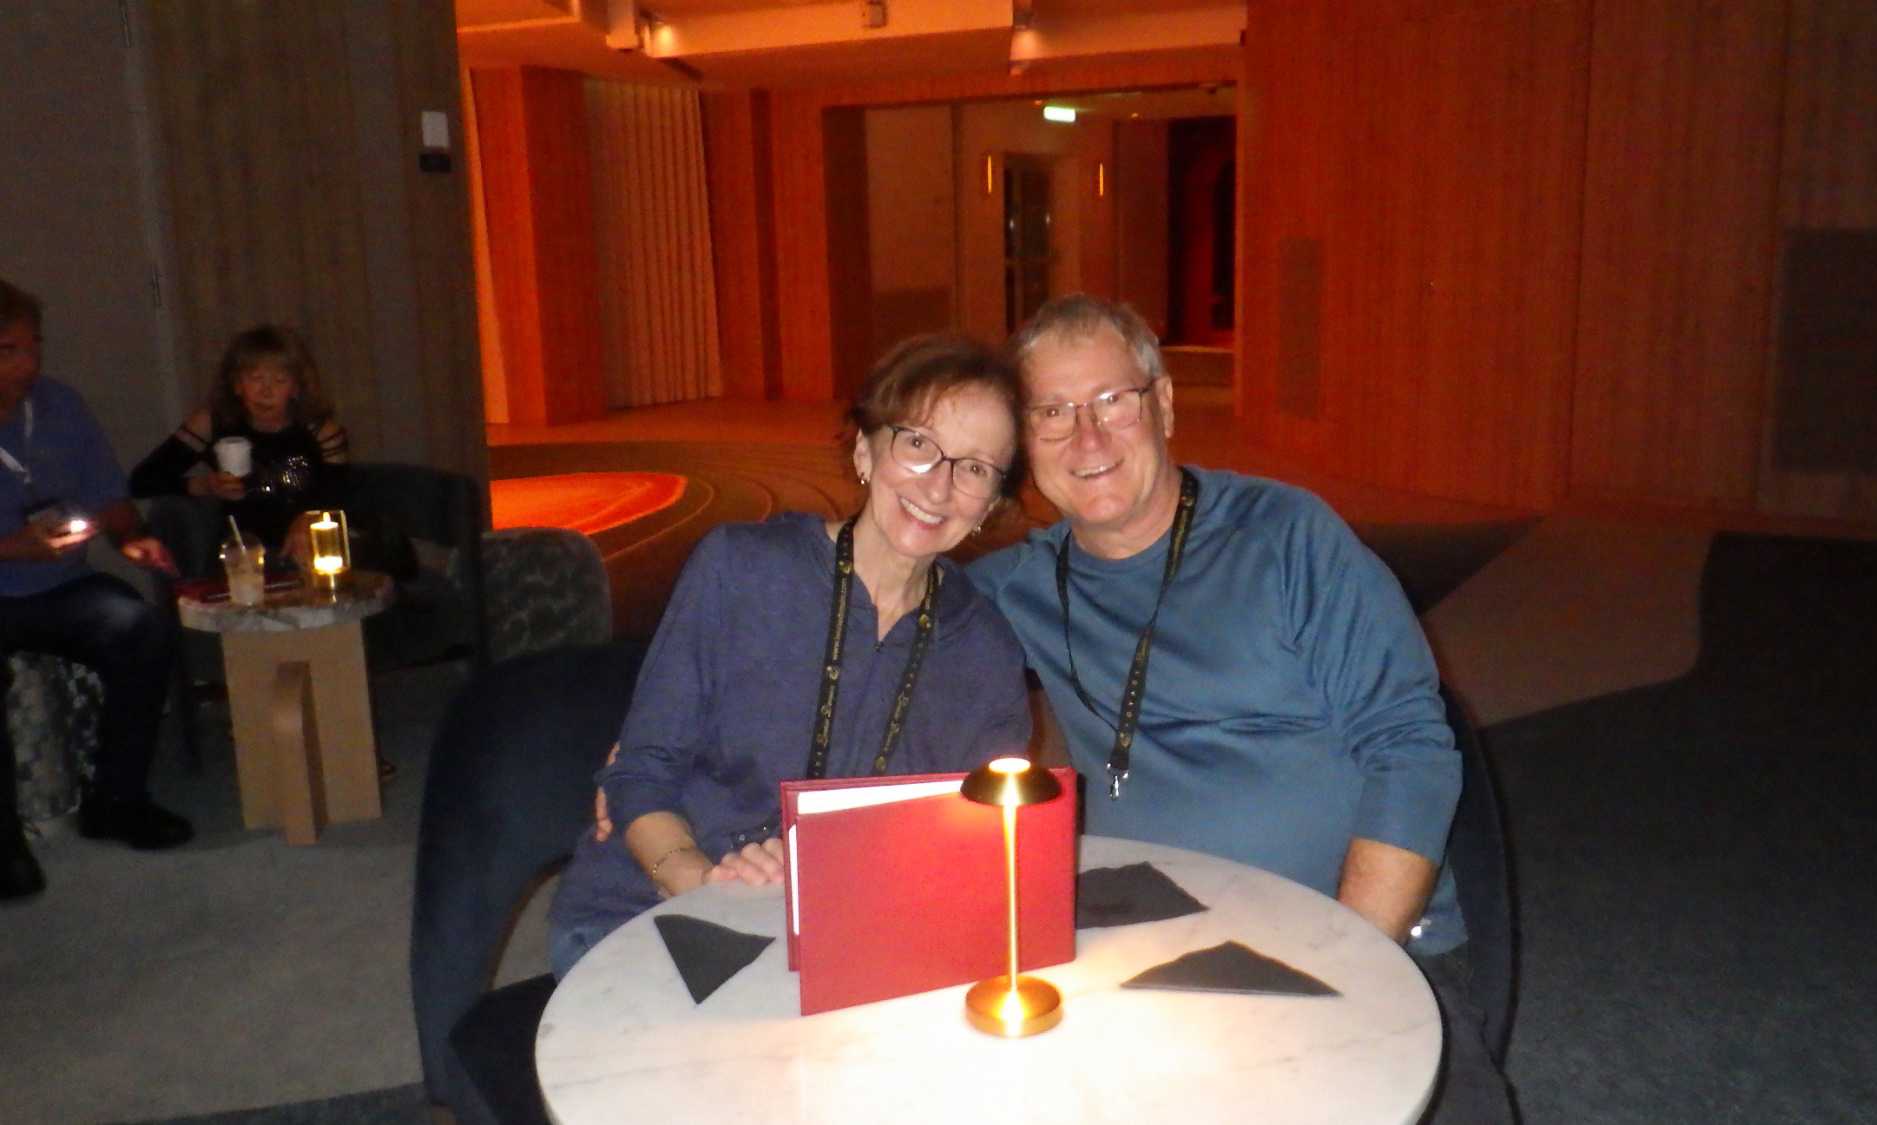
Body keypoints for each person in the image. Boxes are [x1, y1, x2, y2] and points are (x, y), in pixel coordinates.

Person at [968, 295, 1514, 1122]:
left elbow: (1409, 748)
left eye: (1113, 400)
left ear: (1164, 404)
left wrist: (1345, 963)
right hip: (1146, 937)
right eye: (1053, 412)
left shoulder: (1287, 537)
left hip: (1362, 934)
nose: (1088, 438)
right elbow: (883, 619)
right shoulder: (1022, 585)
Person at [547, 334, 1033, 978]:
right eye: (918, 444)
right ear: (865, 449)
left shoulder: (985, 652)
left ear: (991, 504)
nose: (939, 486)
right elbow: (640, 773)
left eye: (974, 468)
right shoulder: (741, 568)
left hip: (848, 930)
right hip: (655, 906)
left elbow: (981, 845)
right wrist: (702, 883)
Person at [0, 278, 189, 900]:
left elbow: (110, 497)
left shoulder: (60, 405)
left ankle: (117, 799)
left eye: (34, 346)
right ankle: (4, 843)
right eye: (9, 350)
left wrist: (132, 538)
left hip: (61, 585)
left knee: (141, 629)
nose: (28, 363)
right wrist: (14, 547)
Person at [128, 324, 349, 571]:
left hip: (308, 552)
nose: (266, 392)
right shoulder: (213, 423)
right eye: (256, 379)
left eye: (279, 380)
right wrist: (204, 485)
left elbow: (342, 494)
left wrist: (310, 517)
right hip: (240, 554)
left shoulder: (320, 432)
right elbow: (142, 481)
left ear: (296, 388)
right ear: (237, 384)